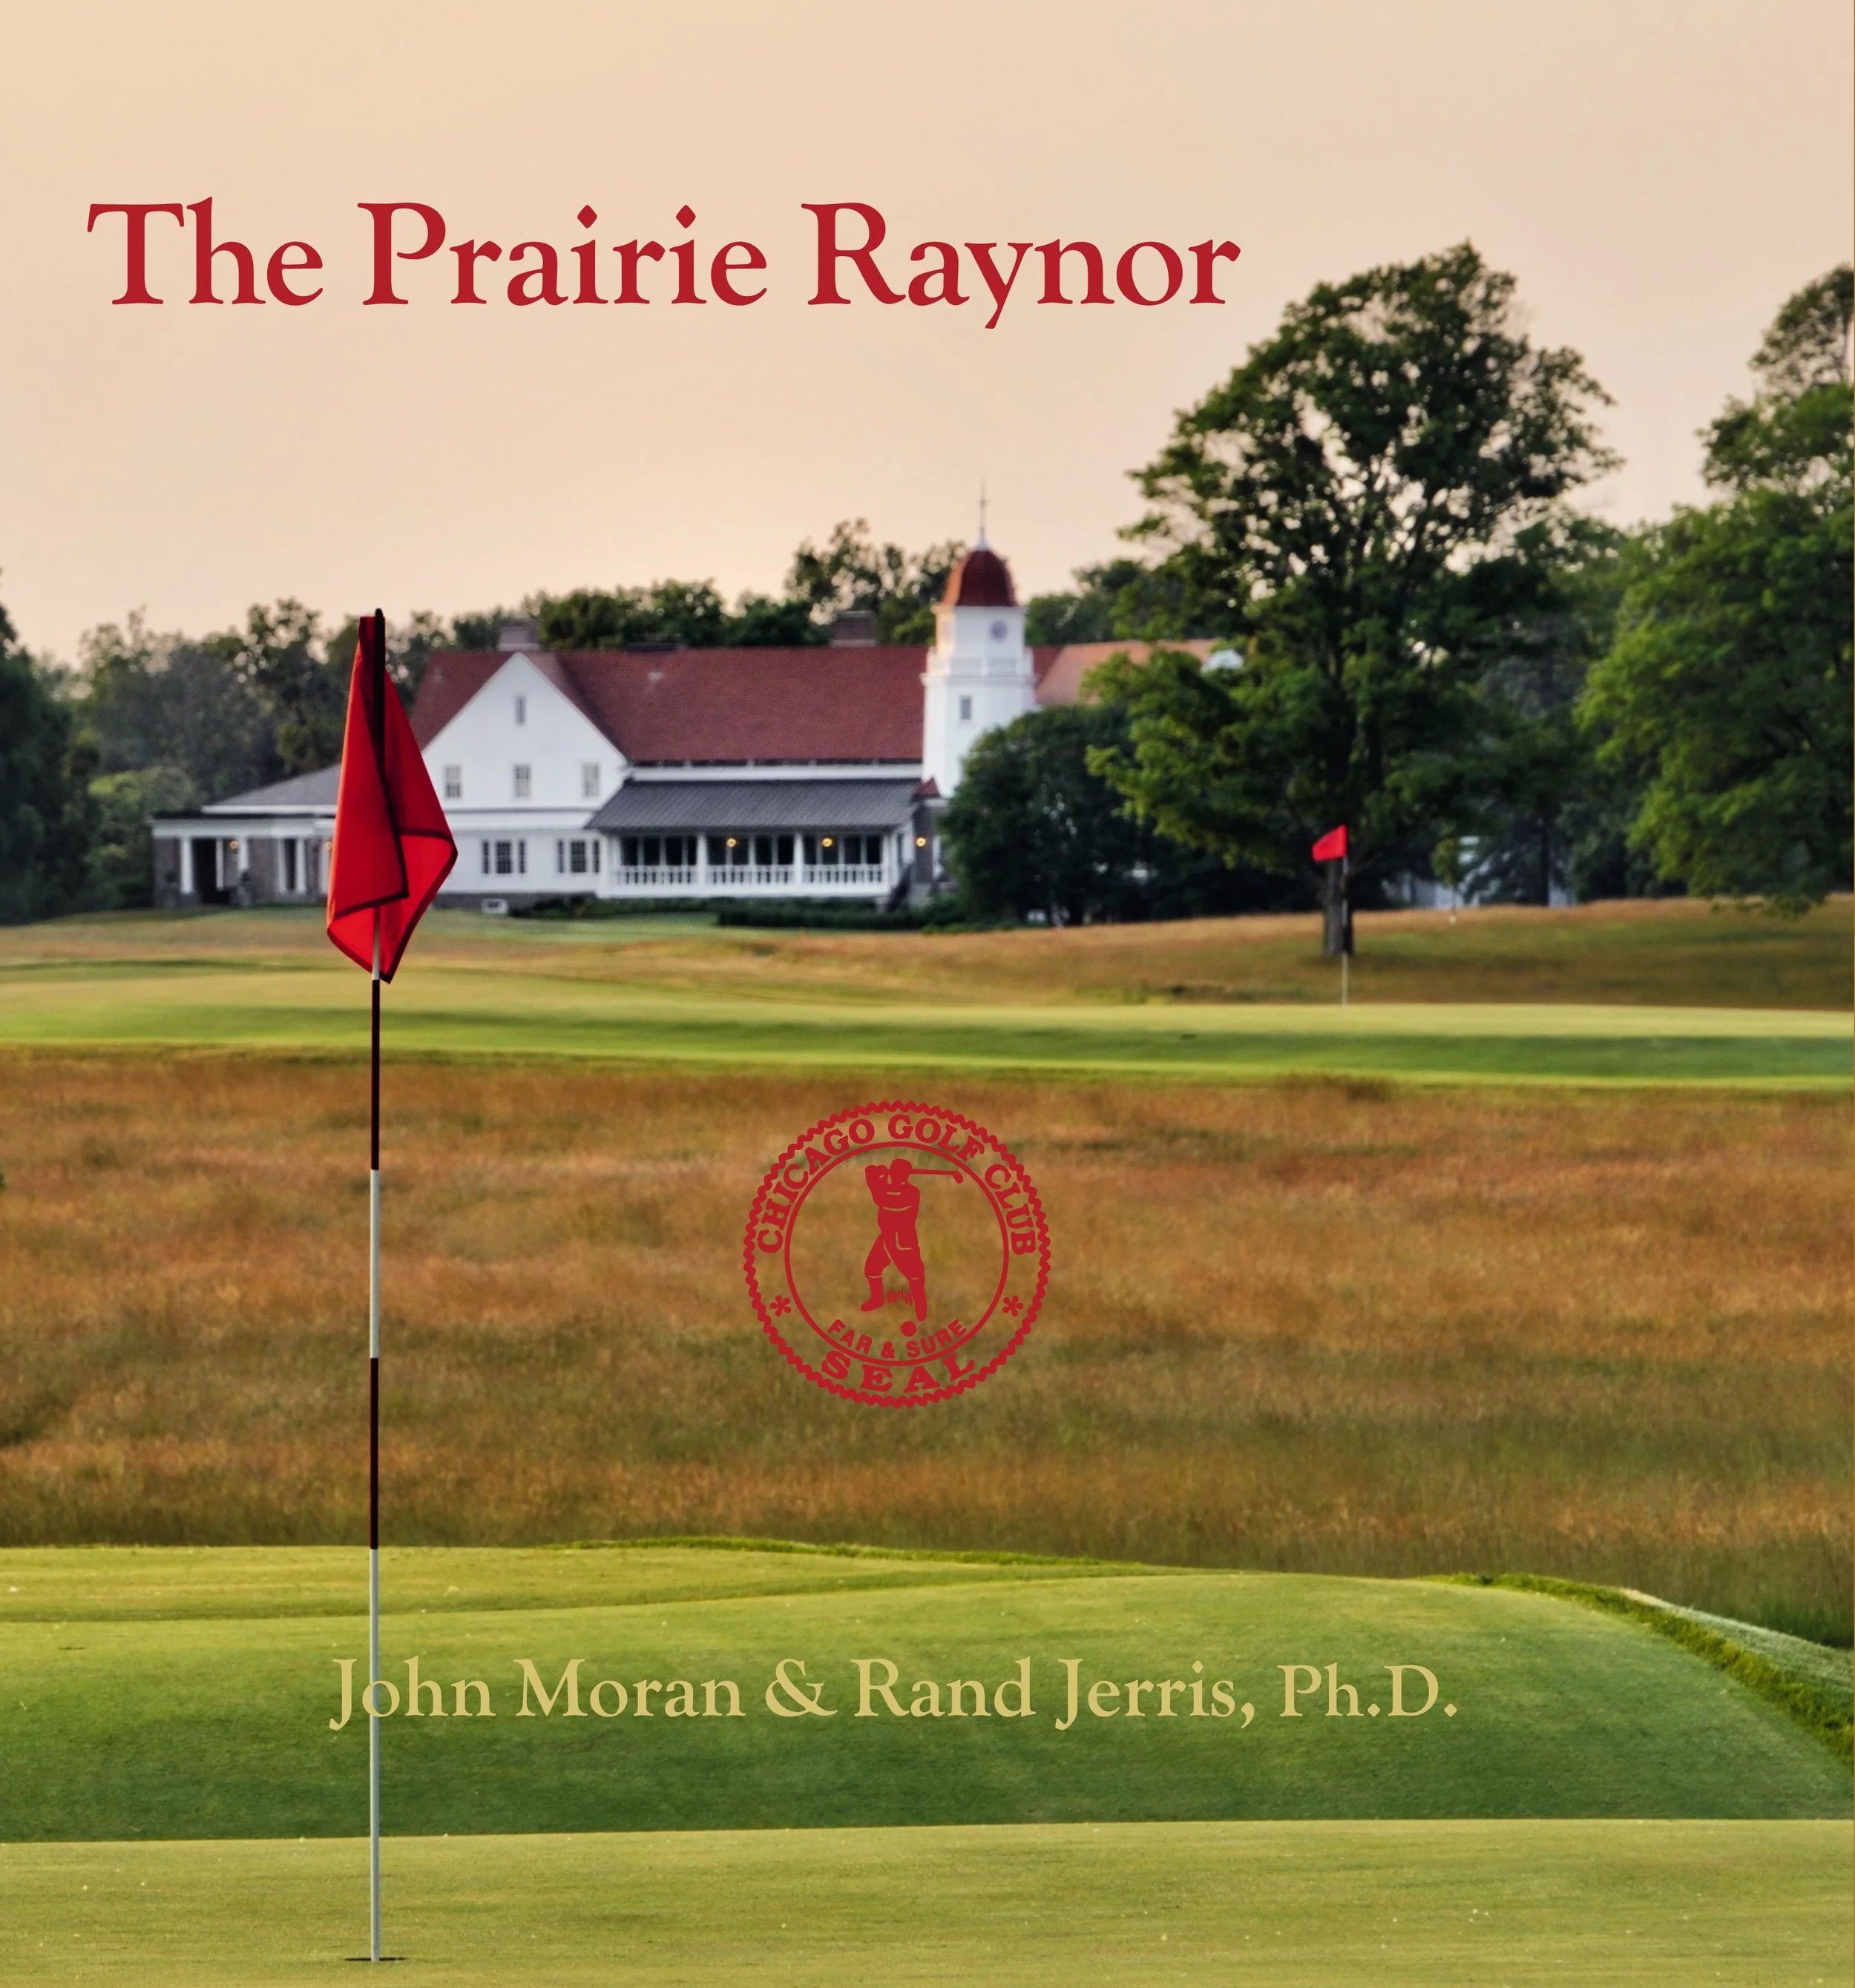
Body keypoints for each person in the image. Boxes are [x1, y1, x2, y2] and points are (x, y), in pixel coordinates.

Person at [861, 1157, 929, 1325]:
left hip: (903, 1240)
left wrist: (875, 1179)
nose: (892, 1173)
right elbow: (878, 1187)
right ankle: (877, 1300)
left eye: (895, 1170)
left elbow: (882, 1199)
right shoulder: (889, 1188)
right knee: (872, 1268)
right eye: (892, 1169)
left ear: (904, 1175)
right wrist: (873, 1174)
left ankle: (921, 1306)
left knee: (914, 1274)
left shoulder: (911, 1192)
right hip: (886, 1237)